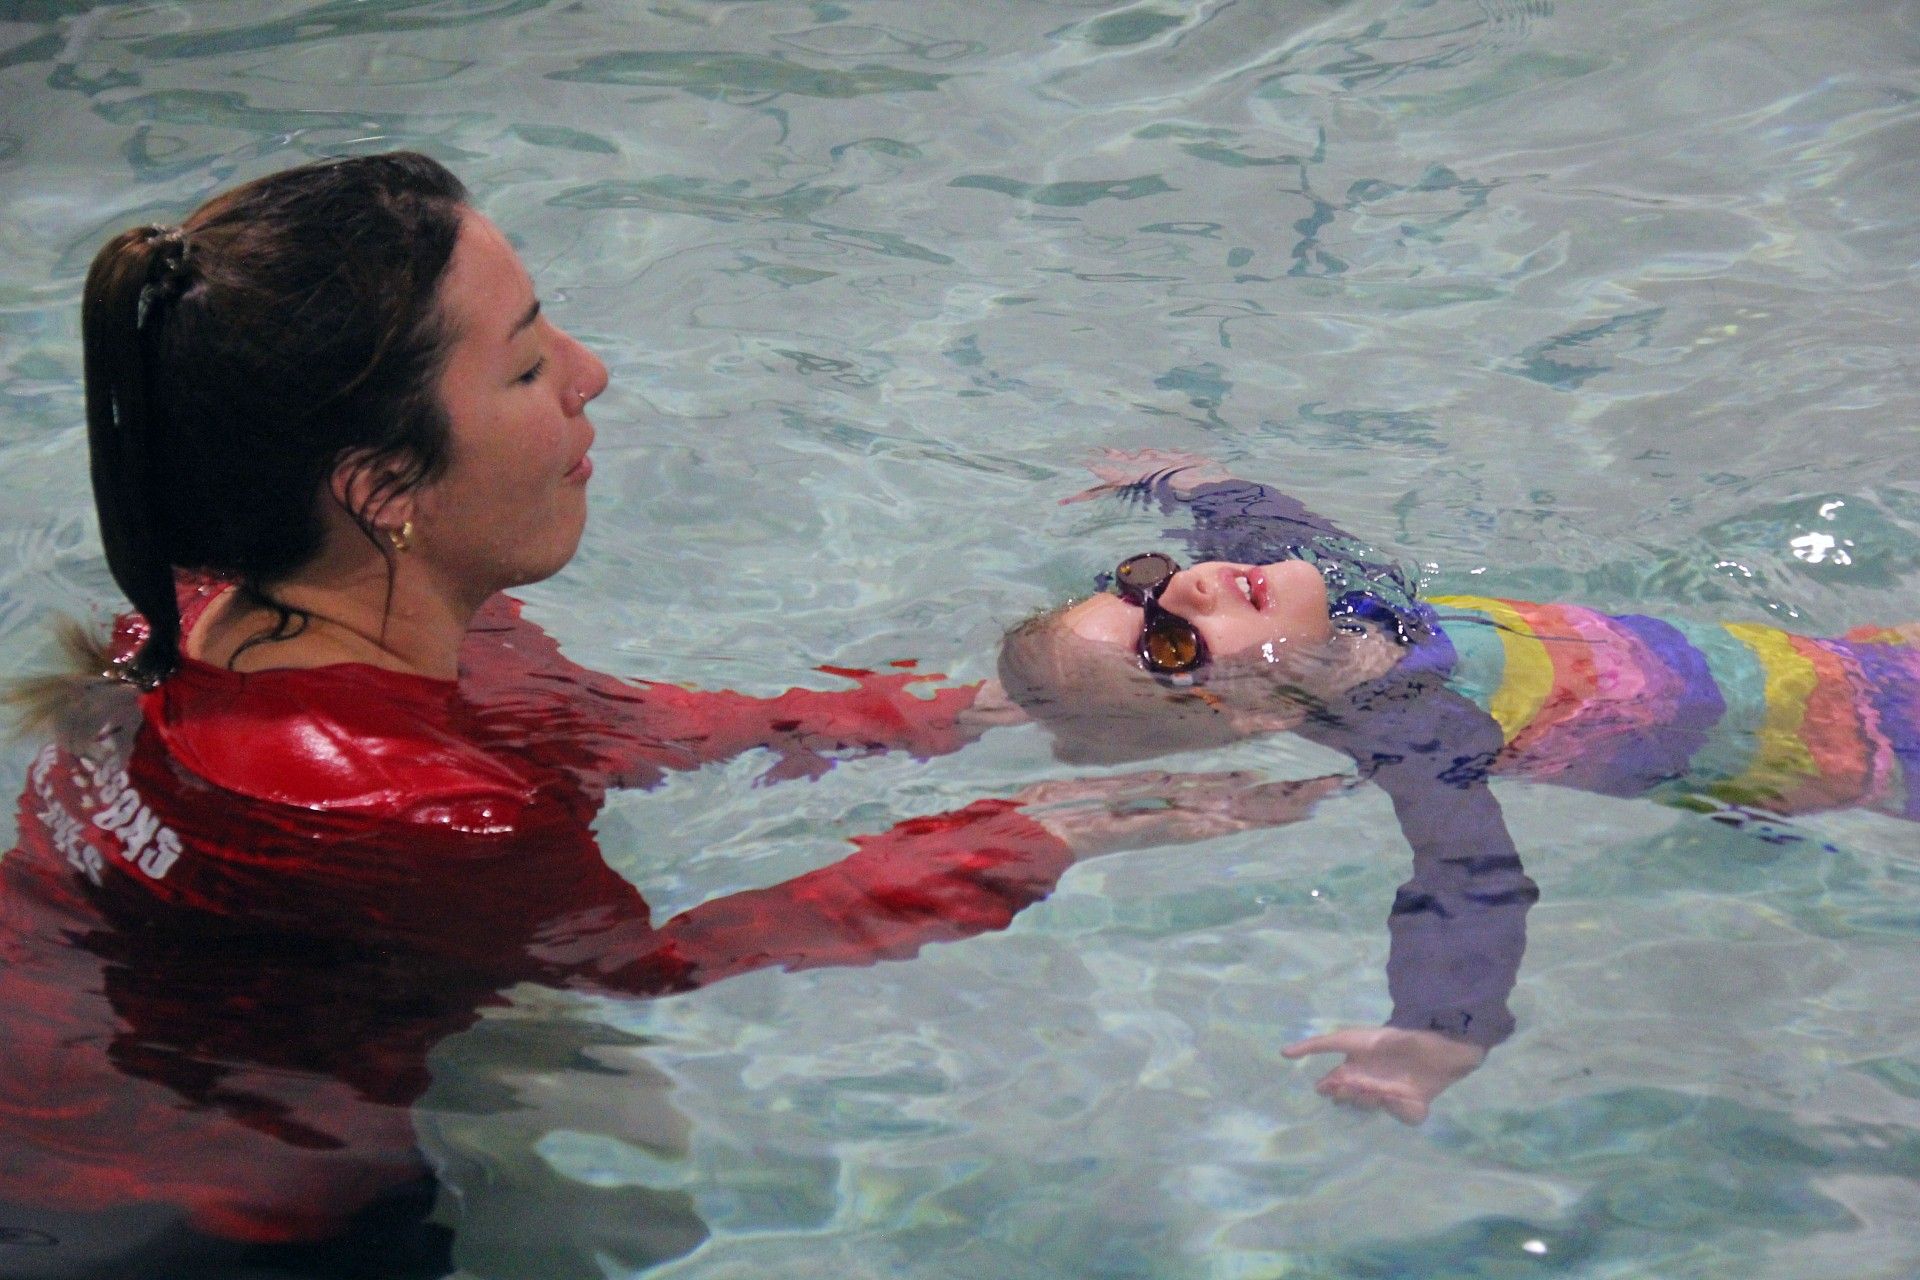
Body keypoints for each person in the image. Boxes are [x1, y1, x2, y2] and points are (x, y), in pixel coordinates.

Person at [0, 157, 1337, 1280]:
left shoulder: (243, 596)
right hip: (166, 1233)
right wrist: (1048, 831)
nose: (593, 375)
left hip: (76, 1074)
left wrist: (986, 702)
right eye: (527, 368)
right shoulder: (406, 808)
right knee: (645, 1208)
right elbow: (665, 971)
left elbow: (603, 728)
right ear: (383, 487)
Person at [997, 449, 1920, 1125]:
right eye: (1169, 644)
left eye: (1142, 579)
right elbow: (1466, 876)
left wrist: (1177, 481)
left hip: (1850, 665)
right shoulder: (1411, 728)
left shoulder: (1348, 604)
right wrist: (1443, 1029)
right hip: (1856, 752)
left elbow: (1256, 522)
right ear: (1247, 717)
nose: (1194, 583)